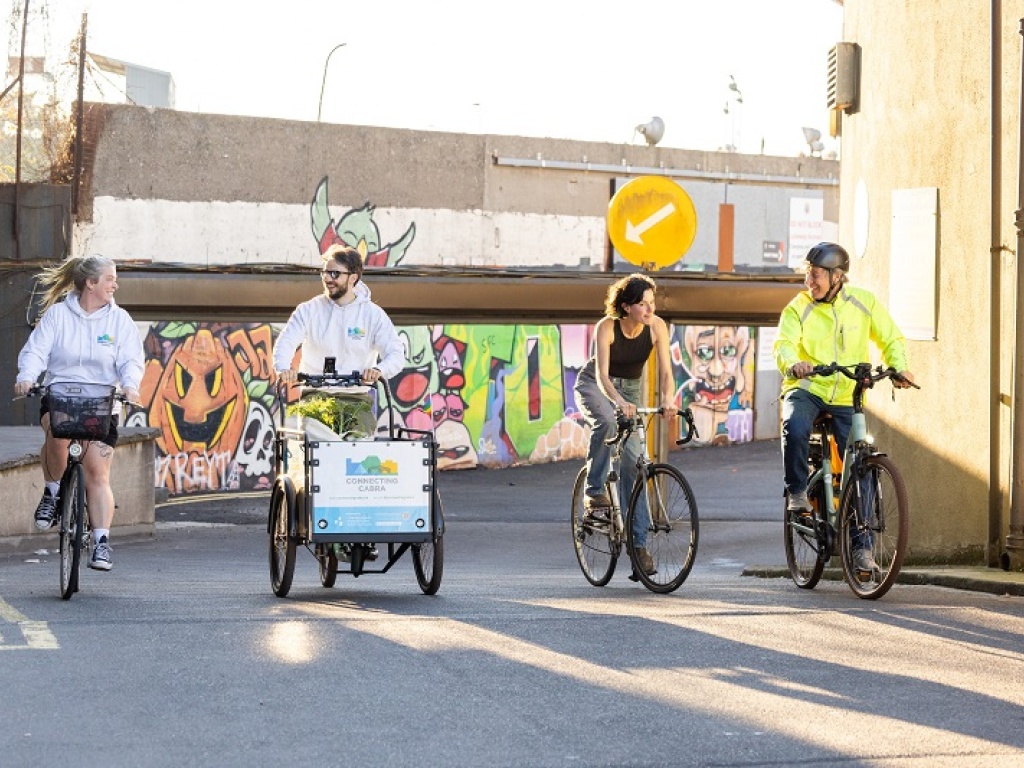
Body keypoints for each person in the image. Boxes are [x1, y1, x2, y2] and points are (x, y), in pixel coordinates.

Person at [774, 241, 914, 572]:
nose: (810, 282)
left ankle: (862, 549)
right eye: (808, 274)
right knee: (794, 426)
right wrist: (794, 363)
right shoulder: (798, 308)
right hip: (809, 388)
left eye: (816, 274)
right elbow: (783, 344)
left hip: (847, 394)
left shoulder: (863, 303)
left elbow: (891, 338)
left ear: (838, 276)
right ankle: (796, 491)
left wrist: (899, 367)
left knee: (861, 464)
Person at [272, 244, 406, 561]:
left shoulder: (373, 315)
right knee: (322, 456)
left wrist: (379, 370)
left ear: (354, 277)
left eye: (335, 273)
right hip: (315, 398)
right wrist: (285, 369)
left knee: (360, 463)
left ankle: (361, 532)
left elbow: (396, 354)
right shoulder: (309, 310)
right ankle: (321, 526)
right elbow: (286, 341)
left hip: (356, 401)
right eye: (325, 272)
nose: (328, 279)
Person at [14, 255, 144, 571]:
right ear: (91, 283)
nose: (116, 284)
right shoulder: (58, 316)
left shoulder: (120, 320)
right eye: (110, 278)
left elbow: (130, 360)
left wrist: (130, 385)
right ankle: (52, 492)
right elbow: (36, 350)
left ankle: (101, 542)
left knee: (98, 472)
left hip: (102, 402)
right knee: (56, 433)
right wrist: (26, 376)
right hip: (60, 396)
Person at [574, 273, 678, 577]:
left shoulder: (656, 327)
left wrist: (668, 400)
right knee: (606, 421)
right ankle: (594, 492)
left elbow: (666, 374)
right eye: (642, 304)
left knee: (635, 465)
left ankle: (638, 547)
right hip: (596, 385)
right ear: (626, 306)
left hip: (630, 390)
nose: (649, 310)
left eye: (652, 303)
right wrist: (618, 402)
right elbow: (604, 377)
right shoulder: (606, 327)